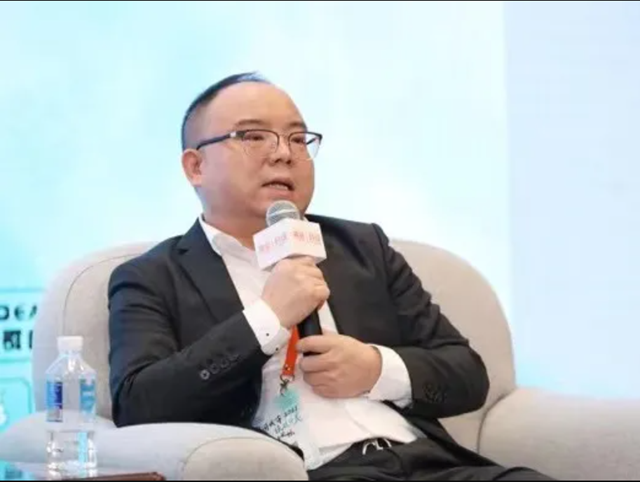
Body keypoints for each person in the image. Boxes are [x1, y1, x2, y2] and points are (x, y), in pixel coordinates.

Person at [108, 72, 552, 481]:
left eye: (298, 138)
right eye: (254, 136)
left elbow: (467, 375)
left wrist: (376, 368)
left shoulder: (362, 248)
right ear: (196, 167)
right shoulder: (153, 277)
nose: (283, 153)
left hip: (431, 464)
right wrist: (267, 318)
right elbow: (140, 406)